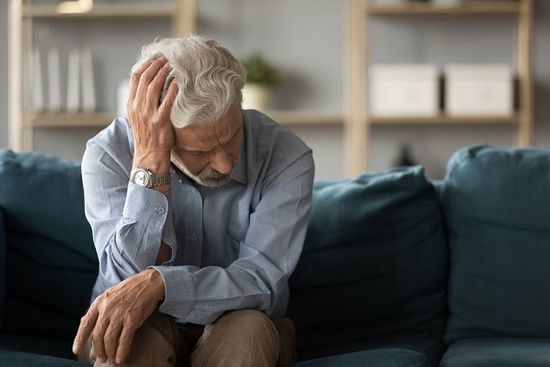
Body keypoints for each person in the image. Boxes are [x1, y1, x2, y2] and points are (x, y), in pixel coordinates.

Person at [71, 35, 314, 367]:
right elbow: (122, 282)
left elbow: (261, 282)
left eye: (231, 137)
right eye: (200, 152)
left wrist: (163, 284)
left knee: (249, 332)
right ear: (160, 131)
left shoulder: (286, 156)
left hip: (243, 320)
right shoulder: (107, 155)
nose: (226, 164)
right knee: (129, 341)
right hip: (141, 323)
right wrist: (149, 162)